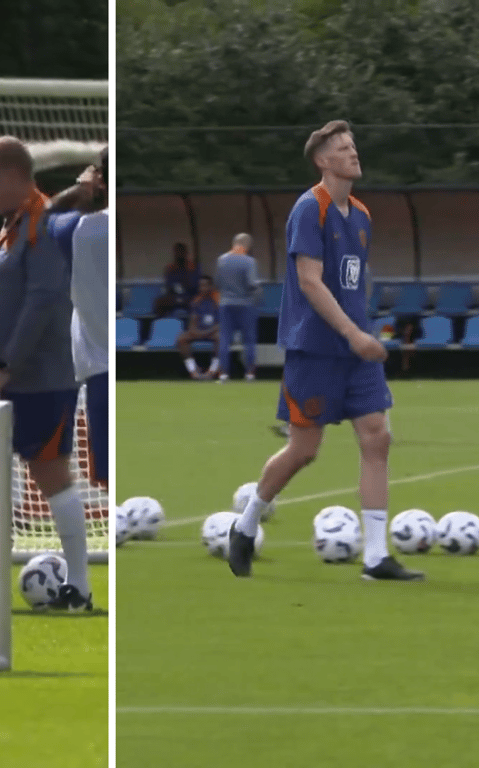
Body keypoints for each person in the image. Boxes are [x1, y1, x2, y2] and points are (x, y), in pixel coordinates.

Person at [229, 120, 421, 582]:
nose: (353, 153)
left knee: (377, 436)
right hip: (315, 348)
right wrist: (353, 334)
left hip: (357, 350)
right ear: (322, 160)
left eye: (353, 145)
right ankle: (246, 523)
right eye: (343, 147)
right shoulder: (307, 209)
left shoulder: (362, 215)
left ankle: (376, 557)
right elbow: (310, 281)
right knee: (304, 449)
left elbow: (352, 283)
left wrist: (363, 333)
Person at [0, 136, 92, 612]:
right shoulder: (16, 226)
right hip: (10, 378)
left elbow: (43, 300)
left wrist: (4, 367)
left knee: (51, 475)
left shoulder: (42, 226)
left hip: (37, 378)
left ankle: (78, 587)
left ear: (11, 176)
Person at [68, 147, 109, 489]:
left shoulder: (85, 229)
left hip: (99, 365)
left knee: (108, 478)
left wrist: (81, 192)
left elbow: (36, 218)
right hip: (108, 366)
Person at [216, 233, 261, 381]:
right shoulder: (249, 262)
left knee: (224, 339)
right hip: (245, 304)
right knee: (249, 339)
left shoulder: (221, 261)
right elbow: (252, 284)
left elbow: (217, 283)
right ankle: (249, 373)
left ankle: (223, 374)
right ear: (247, 245)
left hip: (225, 303)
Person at [176, 275, 221, 379]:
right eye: (201, 286)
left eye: (205, 285)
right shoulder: (196, 301)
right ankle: (193, 371)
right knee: (181, 338)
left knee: (221, 337)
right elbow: (192, 325)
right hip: (199, 332)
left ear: (211, 286)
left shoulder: (218, 300)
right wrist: (197, 332)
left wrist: (207, 332)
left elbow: (223, 324)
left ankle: (212, 371)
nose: (202, 288)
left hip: (214, 332)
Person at [152, 243, 199, 316]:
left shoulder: (192, 267)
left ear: (185, 253)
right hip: (174, 297)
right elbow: (169, 285)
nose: (179, 254)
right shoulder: (170, 268)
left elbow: (194, 286)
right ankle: (163, 324)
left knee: (197, 302)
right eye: (177, 252)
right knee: (159, 302)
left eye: (181, 251)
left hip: (189, 297)